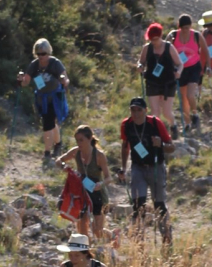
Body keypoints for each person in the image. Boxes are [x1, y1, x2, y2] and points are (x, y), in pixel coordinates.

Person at [117, 98, 175, 229]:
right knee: (138, 205)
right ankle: (139, 241)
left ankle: (166, 238)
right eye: (133, 109)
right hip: (138, 168)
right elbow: (125, 146)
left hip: (156, 167)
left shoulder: (155, 123)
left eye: (139, 110)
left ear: (145, 110)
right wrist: (123, 167)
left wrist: (161, 144)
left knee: (159, 205)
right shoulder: (126, 125)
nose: (136, 113)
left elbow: (171, 147)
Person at [55, 126, 113, 242]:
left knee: (98, 231)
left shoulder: (99, 155)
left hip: (97, 193)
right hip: (82, 193)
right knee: (82, 228)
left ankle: (113, 236)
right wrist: (63, 166)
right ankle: (85, 253)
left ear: (90, 138)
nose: (79, 143)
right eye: (77, 140)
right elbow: (58, 160)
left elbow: (108, 178)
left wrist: (100, 185)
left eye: (81, 140)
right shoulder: (76, 151)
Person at [18, 39, 71, 161]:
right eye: (38, 54)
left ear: (49, 52)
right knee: (51, 122)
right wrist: (21, 80)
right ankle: (58, 144)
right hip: (42, 98)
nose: (41, 57)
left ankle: (47, 152)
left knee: (48, 123)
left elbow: (66, 79)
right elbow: (26, 82)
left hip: (55, 97)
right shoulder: (34, 65)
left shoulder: (55, 63)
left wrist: (64, 81)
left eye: (43, 54)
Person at [136, 23, 184, 139]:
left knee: (167, 112)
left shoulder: (169, 47)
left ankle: (173, 126)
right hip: (152, 83)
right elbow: (141, 61)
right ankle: (157, 134)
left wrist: (178, 72)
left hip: (168, 83)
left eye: (156, 39)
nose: (154, 42)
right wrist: (139, 66)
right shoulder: (147, 48)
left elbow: (180, 63)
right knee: (155, 112)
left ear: (160, 36)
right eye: (152, 39)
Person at [166, 15, 211, 132]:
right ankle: (187, 123)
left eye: (188, 27)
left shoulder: (196, 36)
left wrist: (209, 67)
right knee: (183, 98)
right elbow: (166, 50)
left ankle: (195, 114)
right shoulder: (173, 36)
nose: (186, 30)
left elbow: (206, 51)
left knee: (190, 95)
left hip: (194, 68)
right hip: (180, 70)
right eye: (183, 28)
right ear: (179, 27)